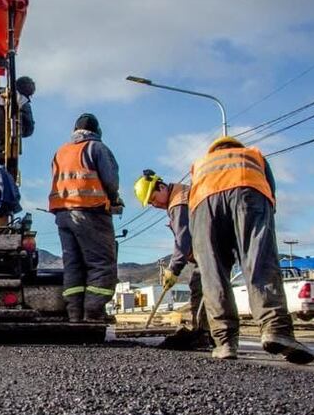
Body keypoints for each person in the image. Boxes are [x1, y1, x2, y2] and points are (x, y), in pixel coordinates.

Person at [189, 136, 314, 364]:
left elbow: (193, 203)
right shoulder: (253, 156)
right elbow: (271, 193)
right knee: (259, 261)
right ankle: (275, 329)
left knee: (213, 273)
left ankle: (225, 342)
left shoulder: (200, 164)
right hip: (249, 195)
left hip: (204, 206)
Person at [48, 113, 121, 323]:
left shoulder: (61, 152)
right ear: (97, 131)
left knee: (73, 264)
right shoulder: (96, 148)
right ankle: (93, 313)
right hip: (90, 211)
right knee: (100, 263)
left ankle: (74, 315)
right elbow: (111, 181)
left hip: (63, 213)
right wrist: (114, 199)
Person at [133, 170, 211, 350]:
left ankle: (202, 333)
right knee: (208, 290)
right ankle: (210, 333)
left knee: (200, 288)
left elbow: (183, 240)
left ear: (161, 187)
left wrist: (173, 269)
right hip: (210, 249)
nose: (154, 204)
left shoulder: (178, 202)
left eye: (153, 198)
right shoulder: (182, 194)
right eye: (150, 203)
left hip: (209, 251)